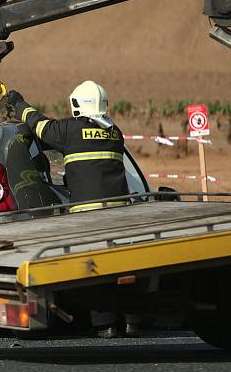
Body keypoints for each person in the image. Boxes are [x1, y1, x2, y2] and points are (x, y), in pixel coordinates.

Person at [7, 81, 138, 337]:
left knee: (95, 271)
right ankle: (131, 321)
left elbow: (39, 124)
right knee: (123, 269)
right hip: (120, 215)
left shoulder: (69, 129)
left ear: (77, 104)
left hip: (89, 217)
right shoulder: (114, 132)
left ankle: (106, 325)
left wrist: (18, 103)